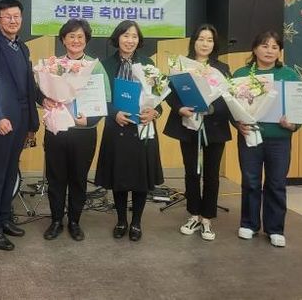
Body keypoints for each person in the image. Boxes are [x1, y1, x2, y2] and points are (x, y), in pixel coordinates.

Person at [0, 0, 40, 251]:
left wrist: (44, 103)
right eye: (8, 16)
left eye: (17, 16)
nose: (13, 21)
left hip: (22, 118)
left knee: (11, 170)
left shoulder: (22, 47)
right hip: (2, 120)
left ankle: (4, 218)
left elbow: (29, 85)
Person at [95, 20, 164, 242]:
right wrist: (114, 113)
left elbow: (159, 99)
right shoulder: (105, 65)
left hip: (142, 129)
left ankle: (136, 222)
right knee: (120, 177)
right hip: (117, 128)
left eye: (134, 36)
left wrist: (155, 112)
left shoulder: (148, 64)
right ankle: (121, 220)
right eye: (125, 35)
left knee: (140, 179)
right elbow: (99, 99)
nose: (130, 40)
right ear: (117, 38)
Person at [42, 19, 111, 242]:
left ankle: (74, 221)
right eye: (71, 36)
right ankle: (55, 220)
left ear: (86, 40)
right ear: (63, 40)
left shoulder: (95, 66)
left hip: (84, 132)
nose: (76, 40)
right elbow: (42, 92)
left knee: (78, 179)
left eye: (80, 36)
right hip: (57, 130)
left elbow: (105, 100)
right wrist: (44, 100)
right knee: (55, 178)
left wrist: (89, 119)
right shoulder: (53, 66)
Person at [163, 23, 231, 241]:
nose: (205, 44)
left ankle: (207, 218)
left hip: (215, 127)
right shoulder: (181, 65)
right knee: (192, 172)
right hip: (188, 125)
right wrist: (179, 108)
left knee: (212, 174)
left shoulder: (222, 68)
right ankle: (193, 214)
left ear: (214, 44)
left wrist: (211, 108)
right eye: (201, 39)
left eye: (209, 40)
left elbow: (228, 97)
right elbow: (169, 93)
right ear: (194, 41)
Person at [233, 30, 299, 248]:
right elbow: (231, 106)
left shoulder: (289, 75)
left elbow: (300, 108)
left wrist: (294, 124)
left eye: (274, 47)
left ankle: (275, 229)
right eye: (264, 46)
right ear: (254, 49)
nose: (269, 51)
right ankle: (249, 224)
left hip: (279, 139)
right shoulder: (241, 74)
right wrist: (237, 123)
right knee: (250, 181)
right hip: (250, 136)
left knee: (276, 183)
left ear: (279, 51)